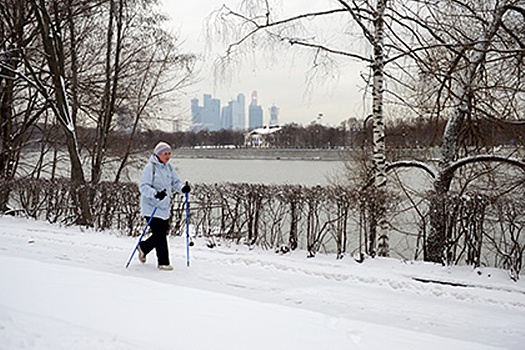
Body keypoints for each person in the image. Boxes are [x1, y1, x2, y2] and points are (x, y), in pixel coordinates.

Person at [138, 141, 191, 270]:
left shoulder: (169, 167)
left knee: (162, 232)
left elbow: (175, 182)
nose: (167, 156)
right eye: (165, 154)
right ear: (158, 154)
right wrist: (155, 194)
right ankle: (163, 262)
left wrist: (183, 189)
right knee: (160, 234)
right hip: (151, 206)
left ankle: (144, 247)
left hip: (164, 206)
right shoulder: (150, 167)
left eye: (169, 153)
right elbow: (143, 187)